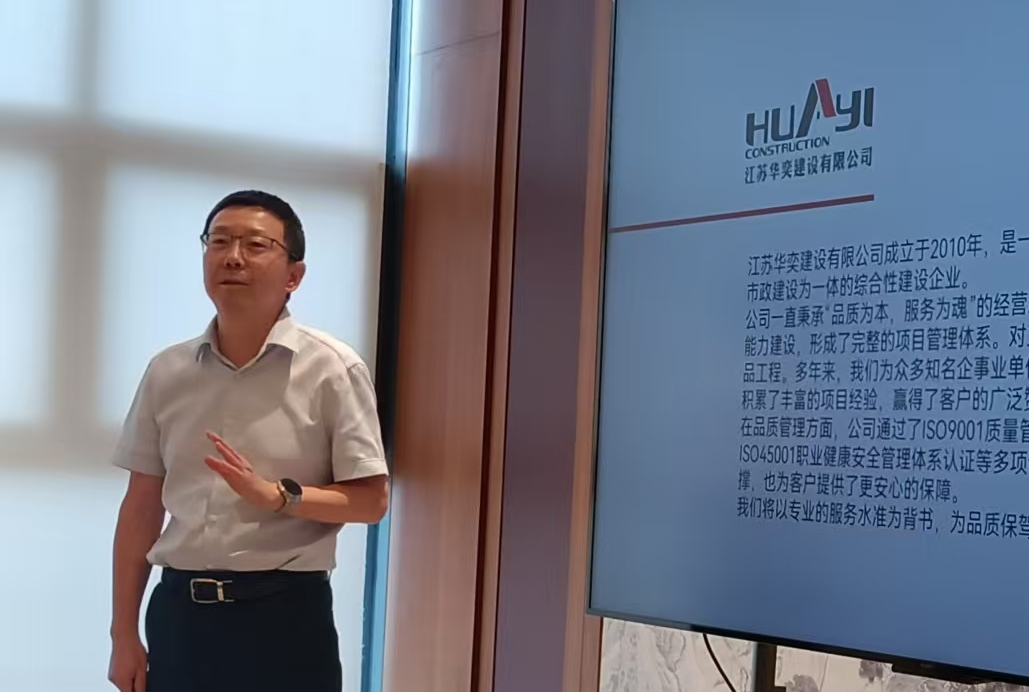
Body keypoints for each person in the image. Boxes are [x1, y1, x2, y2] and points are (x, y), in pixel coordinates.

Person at [106, 190, 389, 692]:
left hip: (285, 615)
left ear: (293, 276)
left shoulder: (333, 369)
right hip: (180, 615)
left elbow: (371, 501)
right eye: (218, 241)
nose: (232, 256)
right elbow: (141, 506)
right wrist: (122, 633)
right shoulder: (167, 371)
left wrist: (278, 496)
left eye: (255, 245)